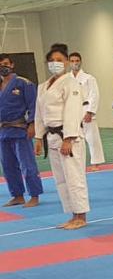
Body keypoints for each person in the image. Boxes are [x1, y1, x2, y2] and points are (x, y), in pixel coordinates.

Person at [34, 48, 89, 229]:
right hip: (51, 136)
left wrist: (68, 138)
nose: (55, 63)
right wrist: (38, 137)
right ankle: (72, 214)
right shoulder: (43, 86)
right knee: (61, 179)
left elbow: (73, 111)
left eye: (59, 59)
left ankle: (81, 216)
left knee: (74, 177)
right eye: (52, 60)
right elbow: (39, 113)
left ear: (66, 62)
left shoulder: (71, 83)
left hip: (68, 137)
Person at [0, 54, 41, 207]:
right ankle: (17, 195)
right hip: (3, 131)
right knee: (8, 166)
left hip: (20, 129)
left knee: (27, 165)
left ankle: (34, 195)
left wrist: (32, 124)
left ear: (12, 65)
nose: (3, 67)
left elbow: (33, 105)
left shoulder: (24, 83)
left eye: (5, 64)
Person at [69, 52, 105, 169]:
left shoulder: (89, 78)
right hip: (72, 111)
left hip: (86, 109)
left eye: (77, 61)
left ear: (81, 62)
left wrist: (90, 112)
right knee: (74, 139)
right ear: (69, 63)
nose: (75, 63)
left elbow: (94, 95)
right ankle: (77, 163)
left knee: (92, 138)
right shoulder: (66, 79)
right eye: (72, 61)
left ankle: (96, 163)